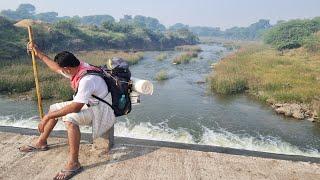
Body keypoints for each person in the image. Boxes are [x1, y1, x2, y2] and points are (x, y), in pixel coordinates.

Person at [19, 43, 116, 180]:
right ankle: (41, 143)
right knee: (54, 108)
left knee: (69, 119)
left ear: (68, 68)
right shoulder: (79, 67)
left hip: (101, 111)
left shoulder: (87, 79)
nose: (61, 71)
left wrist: (47, 117)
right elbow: (55, 67)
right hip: (90, 104)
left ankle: (74, 163)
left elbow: (76, 107)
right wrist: (38, 53)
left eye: (63, 69)